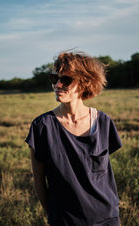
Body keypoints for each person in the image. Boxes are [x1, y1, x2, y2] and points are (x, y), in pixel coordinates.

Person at [25, 51, 122, 226]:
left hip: (107, 219)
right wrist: (55, 215)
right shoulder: (42, 127)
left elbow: (102, 177)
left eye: (66, 80)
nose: (58, 84)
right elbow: (39, 181)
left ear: (84, 82)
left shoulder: (103, 122)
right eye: (55, 78)